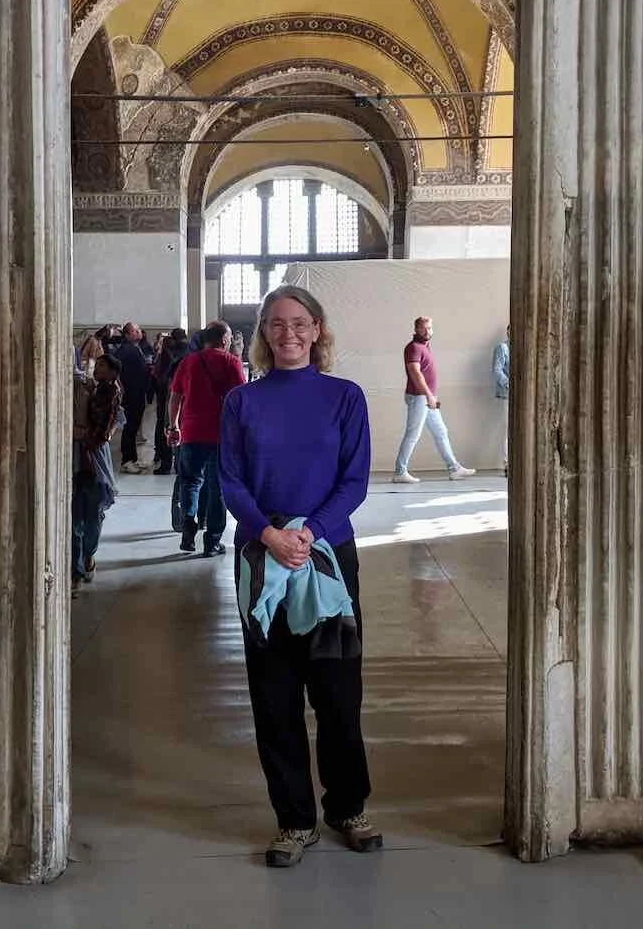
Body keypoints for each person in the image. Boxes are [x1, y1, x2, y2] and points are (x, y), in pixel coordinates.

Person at [220, 285, 380, 868]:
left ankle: (347, 806)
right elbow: (231, 480)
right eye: (276, 324)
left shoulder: (345, 397)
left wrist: (309, 533)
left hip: (328, 561)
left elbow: (354, 480)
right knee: (274, 695)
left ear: (317, 330)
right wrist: (268, 534)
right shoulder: (242, 402)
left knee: (338, 693)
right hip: (263, 565)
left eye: (300, 323)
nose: (288, 333)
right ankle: (293, 820)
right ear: (263, 333)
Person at [168, 319, 244, 556]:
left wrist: (173, 426)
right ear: (224, 339)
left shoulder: (188, 362)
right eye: (229, 337)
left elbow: (175, 396)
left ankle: (188, 528)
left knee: (190, 482)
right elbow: (240, 399)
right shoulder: (231, 362)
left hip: (191, 432)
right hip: (220, 435)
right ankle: (212, 541)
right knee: (217, 488)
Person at [392, 316, 475, 483]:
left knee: (441, 431)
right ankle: (400, 471)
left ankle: (454, 468)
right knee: (413, 434)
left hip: (427, 398)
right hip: (419, 397)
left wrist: (431, 396)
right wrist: (428, 395)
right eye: (423, 328)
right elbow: (415, 373)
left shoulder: (425, 347)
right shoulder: (414, 348)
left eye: (429, 328)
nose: (427, 331)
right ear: (416, 329)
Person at [71, 351, 122, 598]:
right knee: (78, 514)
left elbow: (109, 422)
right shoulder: (89, 386)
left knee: (89, 512)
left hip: (90, 454)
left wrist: (88, 440)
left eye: (103, 366)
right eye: (97, 365)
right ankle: (77, 566)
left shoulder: (100, 389)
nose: (97, 369)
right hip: (80, 453)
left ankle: (85, 557)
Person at [112, 322, 153, 474]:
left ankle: (133, 458)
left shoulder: (135, 348)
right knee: (129, 428)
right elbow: (116, 369)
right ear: (128, 334)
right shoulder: (125, 350)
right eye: (135, 331)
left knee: (134, 427)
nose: (139, 332)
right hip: (131, 393)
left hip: (137, 391)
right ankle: (126, 460)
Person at [152, 327, 191, 476]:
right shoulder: (189, 352)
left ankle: (166, 462)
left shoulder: (170, 353)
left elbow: (161, 376)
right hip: (181, 396)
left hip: (169, 395)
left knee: (167, 427)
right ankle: (178, 464)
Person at [493, 325, 510, 474]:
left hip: (523, 395)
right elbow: (497, 370)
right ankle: (507, 463)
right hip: (507, 393)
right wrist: (510, 384)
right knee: (508, 428)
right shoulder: (502, 347)